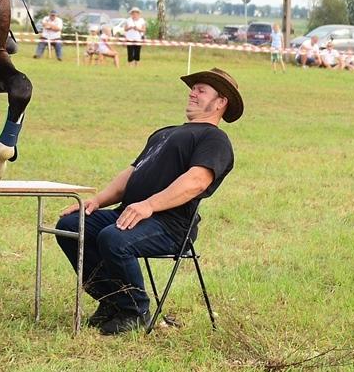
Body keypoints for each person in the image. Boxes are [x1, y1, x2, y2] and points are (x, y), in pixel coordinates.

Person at [55, 68, 241, 335]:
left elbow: (196, 181)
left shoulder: (214, 139)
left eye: (201, 90)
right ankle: (112, 302)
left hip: (169, 225)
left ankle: (135, 311)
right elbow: (131, 174)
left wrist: (149, 205)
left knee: (114, 237)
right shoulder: (165, 133)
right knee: (71, 225)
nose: (192, 93)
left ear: (220, 102)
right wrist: (96, 201)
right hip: (131, 214)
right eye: (193, 88)